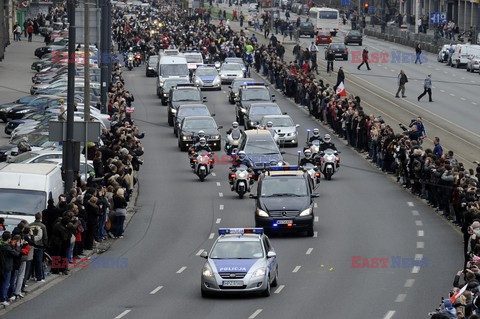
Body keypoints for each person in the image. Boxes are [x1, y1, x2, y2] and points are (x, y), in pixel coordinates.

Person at [0, 232, 20, 306]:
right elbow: (16, 254)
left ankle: (2, 297)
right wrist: (17, 246)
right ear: (9, 239)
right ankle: (3, 299)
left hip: (1, 266)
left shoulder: (1, 245)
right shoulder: (8, 248)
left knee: (1, 282)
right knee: (6, 283)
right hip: (7, 267)